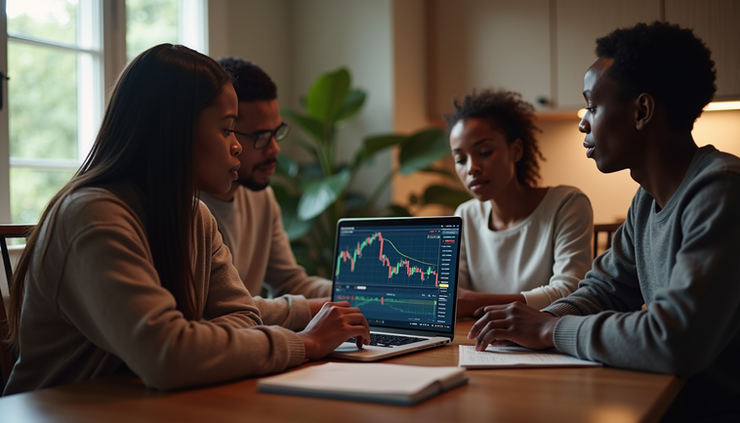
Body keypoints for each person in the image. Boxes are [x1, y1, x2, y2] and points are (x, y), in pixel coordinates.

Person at [3, 44, 369, 396]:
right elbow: (168, 356)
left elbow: (243, 318)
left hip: (137, 403)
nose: (238, 144)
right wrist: (305, 342)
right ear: (174, 132)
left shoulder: (195, 216)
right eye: (227, 129)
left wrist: (197, 343)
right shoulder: (93, 215)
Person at [468, 22, 740, 421]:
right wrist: (538, 321)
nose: (583, 122)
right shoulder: (646, 200)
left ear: (642, 111)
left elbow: (673, 339)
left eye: (592, 106)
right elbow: (603, 292)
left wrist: (547, 331)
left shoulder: (721, 191)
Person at [200, 57, 330, 317]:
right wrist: (314, 314)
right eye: (261, 137)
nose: (275, 149)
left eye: (276, 132)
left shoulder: (261, 197)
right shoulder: (187, 208)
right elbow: (218, 311)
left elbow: (290, 283)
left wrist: (364, 295)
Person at [446, 89, 593, 318]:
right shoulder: (465, 214)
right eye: (460, 160)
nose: (471, 168)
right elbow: (455, 294)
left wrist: (474, 302)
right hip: (479, 342)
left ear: (516, 150)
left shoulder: (566, 204)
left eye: (484, 152)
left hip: (545, 343)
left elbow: (570, 292)